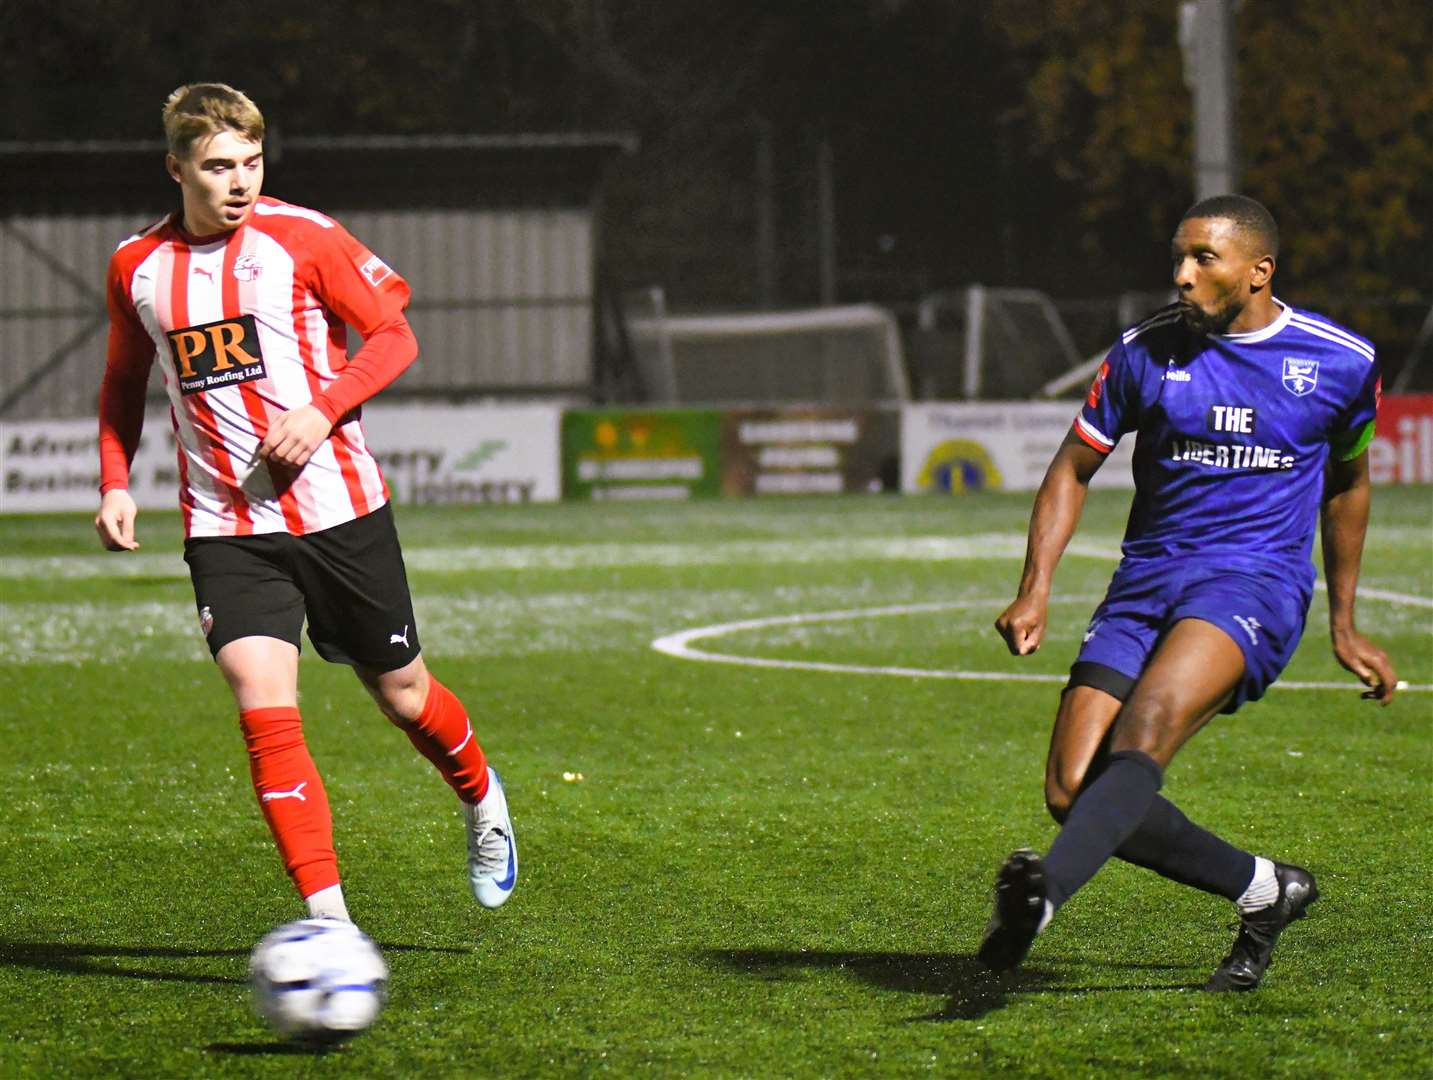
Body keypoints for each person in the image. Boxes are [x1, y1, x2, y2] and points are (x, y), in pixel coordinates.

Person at [94, 83, 517, 923]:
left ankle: (482, 802)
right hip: (227, 527)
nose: (239, 180)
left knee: (401, 694)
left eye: (252, 161)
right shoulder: (135, 267)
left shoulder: (305, 237)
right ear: (176, 168)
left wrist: (322, 410)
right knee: (264, 711)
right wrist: (113, 481)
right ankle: (331, 924)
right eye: (218, 166)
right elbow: (120, 384)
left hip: (339, 514)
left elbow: (395, 336)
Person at [984, 194, 1398, 991]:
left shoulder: (1339, 361)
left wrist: (1344, 623)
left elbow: (1347, 486)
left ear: (1256, 271)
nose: (1180, 275)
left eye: (1201, 258)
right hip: (1144, 583)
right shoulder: (1144, 351)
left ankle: (1041, 904)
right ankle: (1266, 889)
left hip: (1253, 583)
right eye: (1177, 257)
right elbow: (1073, 464)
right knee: (1072, 790)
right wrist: (1033, 589)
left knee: (1145, 731)